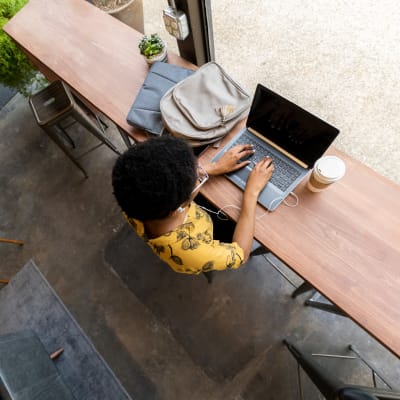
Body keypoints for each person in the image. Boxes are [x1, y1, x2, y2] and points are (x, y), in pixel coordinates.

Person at [112, 136, 274, 275]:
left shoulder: (133, 196)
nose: (200, 173)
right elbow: (241, 255)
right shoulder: (191, 252)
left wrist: (213, 167)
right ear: (179, 208)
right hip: (209, 233)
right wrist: (251, 193)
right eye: (198, 178)